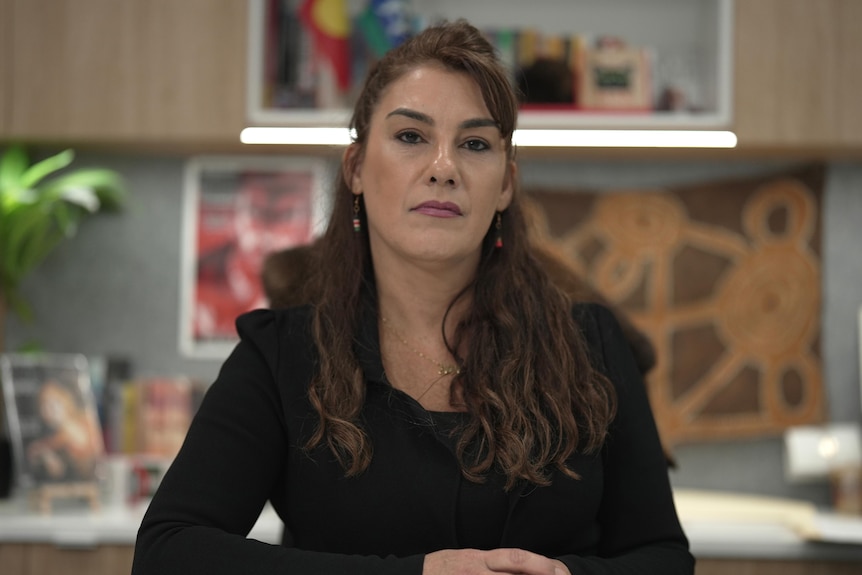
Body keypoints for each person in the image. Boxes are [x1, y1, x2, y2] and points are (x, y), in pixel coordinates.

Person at [133, 19, 694, 575]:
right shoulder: (282, 356)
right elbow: (168, 552)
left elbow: (664, 558)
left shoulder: (591, 343)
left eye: (474, 144)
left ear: (504, 184)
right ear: (355, 168)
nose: (443, 168)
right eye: (410, 137)